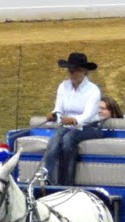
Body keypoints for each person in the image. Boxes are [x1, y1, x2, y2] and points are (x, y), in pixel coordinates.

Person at [39, 52, 103, 186]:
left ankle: (67, 183)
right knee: (54, 142)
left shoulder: (93, 90)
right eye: (70, 70)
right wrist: (54, 115)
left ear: (84, 71)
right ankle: (49, 180)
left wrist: (74, 120)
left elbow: (88, 115)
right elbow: (58, 108)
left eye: (75, 70)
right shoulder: (63, 86)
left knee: (68, 140)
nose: (72, 74)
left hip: (90, 127)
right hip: (68, 126)